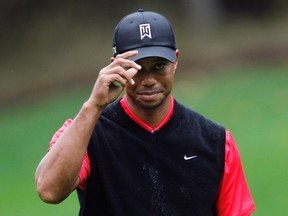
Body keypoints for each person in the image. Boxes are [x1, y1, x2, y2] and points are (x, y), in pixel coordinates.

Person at [35, 9, 256, 216]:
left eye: (159, 66)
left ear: (175, 61)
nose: (149, 80)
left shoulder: (216, 142)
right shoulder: (85, 133)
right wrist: (93, 105)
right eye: (136, 67)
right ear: (115, 66)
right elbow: (49, 191)